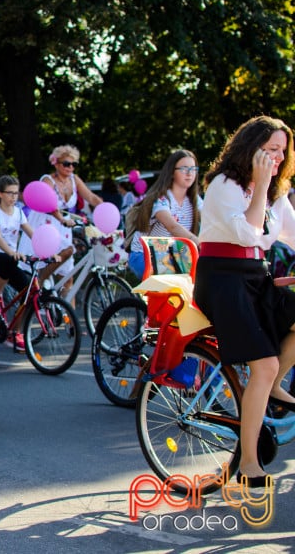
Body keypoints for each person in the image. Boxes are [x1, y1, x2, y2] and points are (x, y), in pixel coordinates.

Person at [193, 116, 295, 488]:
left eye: (283, 151)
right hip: (223, 280)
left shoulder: (274, 190)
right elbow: (248, 232)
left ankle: (274, 384)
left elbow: (291, 233)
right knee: (263, 364)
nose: (277, 158)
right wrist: (264, 185)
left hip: (254, 276)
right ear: (250, 147)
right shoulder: (225, 184)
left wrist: (270, 187)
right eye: (270, 150)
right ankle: (249, 462)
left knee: (272, 365)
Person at [27, 144, 102, 292]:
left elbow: (91, 197)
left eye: (74, 164)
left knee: (68, 277)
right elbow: (49, 205)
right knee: (67, 251)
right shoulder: (48, 180)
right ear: (56, 163)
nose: (70, 168)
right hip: (46, 224)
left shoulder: (74, 179)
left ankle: (67, 314)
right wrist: (62, 219)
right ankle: (40, 281)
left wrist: (104, 208)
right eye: (67, 164)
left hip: (65, 225)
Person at [126, 150, 202, 279]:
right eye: (184, 168)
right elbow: (172, 226)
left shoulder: (195, 200)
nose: (189, 173)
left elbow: (211, 220)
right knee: (172, 284)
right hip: (145, 255)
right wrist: (197, 242)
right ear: (172, 172)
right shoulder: (162, 198)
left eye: (193, 168)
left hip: (173, 255)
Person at [0, 175, 34, 349]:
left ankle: (15, 332)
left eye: (16, 194)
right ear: (0, 194)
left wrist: (49, 251)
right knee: (6, 260)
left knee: (29, 292)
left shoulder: (18, 213)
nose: (13, 197)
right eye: (10, 193)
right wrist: (12, 252)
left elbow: (32, 233)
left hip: (11, 259)